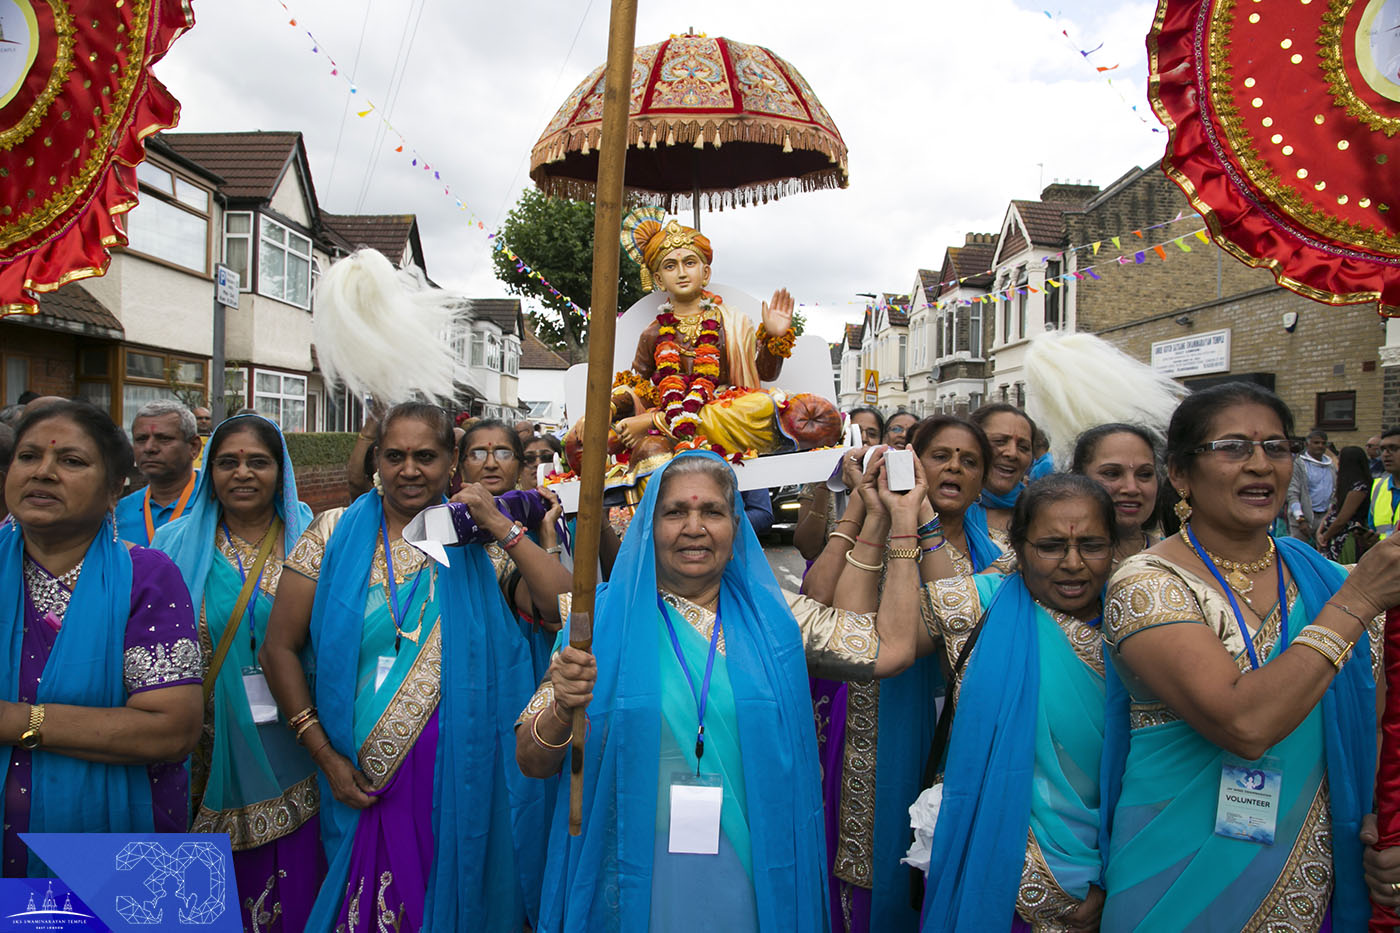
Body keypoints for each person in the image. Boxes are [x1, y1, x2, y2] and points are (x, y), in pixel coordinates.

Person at [517, 450, 922, 932]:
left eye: (711, 511)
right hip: (632, 877)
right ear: (648, 526)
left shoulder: (779, 621)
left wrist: (901, 523)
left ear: (736, 526)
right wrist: (563, 707)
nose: (694, 527)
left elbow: (893, 648)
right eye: (675, 512)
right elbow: (532, 760)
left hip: (752, 875)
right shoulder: (600, 623)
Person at [1100, 382, 1400, 930]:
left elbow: (1376, 720)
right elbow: (1244, 724)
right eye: (1233, 447)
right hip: (1175, 865)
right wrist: (1357, 600)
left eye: (1276, 447)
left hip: (1317, 858)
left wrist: (1387, 824)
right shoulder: (1146, 583)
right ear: (1180, 475)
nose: (1261, 464)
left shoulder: (1321, 576)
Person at [260, 403, 548, 931]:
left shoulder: (475, 541)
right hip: (353, 774)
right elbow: (278, 647)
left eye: (425, 456)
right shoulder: (333, 532)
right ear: (376, 460)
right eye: (394, 456)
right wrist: (322, 753)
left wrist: (502, 526)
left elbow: (557, 607)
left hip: (459, 778)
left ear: (452, 462)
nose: (409, 470)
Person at [804, 417, 1011, 932]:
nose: (954, 468)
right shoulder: (878, 529)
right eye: (940, 455)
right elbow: (824, 607)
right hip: (872, 723)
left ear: (983, 480)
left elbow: (959, 635)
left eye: (970, 461)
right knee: (872, 852)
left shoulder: (997, 558)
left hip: (956, 732)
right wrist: (870, 509)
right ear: (911, 462)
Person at [903, 474, 1119, 930]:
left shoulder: (1146, 630)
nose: (1074, 563)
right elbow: (871, 644)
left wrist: (1114, 876)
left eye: (1093, 545)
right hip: (993, 856)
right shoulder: (978, 605)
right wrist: (898, 517)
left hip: (1115, 872)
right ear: (1017, 549)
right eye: (1051, 545)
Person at [0, 402, 202, 876]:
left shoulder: (147, 578)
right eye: (28, 457)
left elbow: (172, 730)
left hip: (112, 862)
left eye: (71, 461)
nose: (44, 472)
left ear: (115, 490)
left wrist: (16, 721)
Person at [151, 413, 322, 929]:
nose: (242, 473)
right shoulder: (170, 545)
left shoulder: (313, 540)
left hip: (297, 738)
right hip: (198, 744)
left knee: (296, 883)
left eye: (257, 462)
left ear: (281, 471)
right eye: (228, 462)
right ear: (209, 471)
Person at [793, 408, 884, 563]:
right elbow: (807, 548)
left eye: (872, 434)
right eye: (855, 432)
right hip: (827, 578)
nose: (864, 439)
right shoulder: (821, 481)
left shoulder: (886, 484)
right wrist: (826, 483)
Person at [1070, 423, 1161, 562]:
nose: (1131, 488)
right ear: (1079, 478)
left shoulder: (1180, 559)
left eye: (1144, 474)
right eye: (1112, 473)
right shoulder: (1055, 561)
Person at [115, 400, 200, 546]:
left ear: (193, 447)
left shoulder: (216, 504)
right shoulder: (119, 514)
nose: (149, 448)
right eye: (141, 439)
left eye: (164, 439)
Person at [968, 403, 1035, 539]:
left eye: (1023, 447)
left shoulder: (1040, 513)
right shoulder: (938, 512)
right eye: (999, 441)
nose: (1012, 453)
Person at [1318, 445, 1375, 563]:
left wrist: (1325, 536)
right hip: (1330, 536)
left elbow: (1342, 519)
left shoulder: (1359, 487)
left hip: (1345, 538)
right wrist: (1319, 531)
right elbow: (1332, 510)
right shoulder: (1343, 485)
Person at [1287, 428, 1335, 543]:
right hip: (1303, 518)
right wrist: (1300, 519)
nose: (1320, 446)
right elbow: (1292, 494)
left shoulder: (1330, 466)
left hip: (1324, 517)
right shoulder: (1298, 465)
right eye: (1316, 443)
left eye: (1323, 443)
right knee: (1299, 553)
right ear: (1307, 444)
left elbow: (1334, 491)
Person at [1371, 426, 1400, 540]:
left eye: (1393, 448)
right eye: (1382, 449)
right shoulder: (1378, 487)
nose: (1386, 454)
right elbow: (1374, 528)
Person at [191, 406, 213, 470]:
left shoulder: (217, 439)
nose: (203, 421)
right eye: (199, 418)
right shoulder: (184, 440)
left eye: (207, 418)